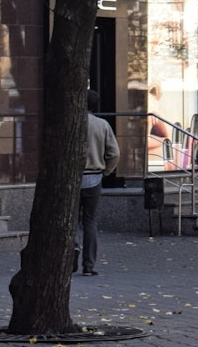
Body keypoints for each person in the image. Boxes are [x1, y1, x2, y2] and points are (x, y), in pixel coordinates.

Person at [78, 90, 119, 276]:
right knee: (90, 222)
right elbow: (114, 153)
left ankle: (69, 260)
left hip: (73, 179)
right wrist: (106, 171)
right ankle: (89, 265)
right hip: (94, 177)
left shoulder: (72, 123)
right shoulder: (102, 125)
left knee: (69, 222)